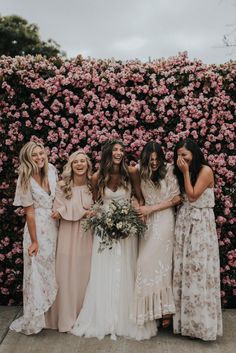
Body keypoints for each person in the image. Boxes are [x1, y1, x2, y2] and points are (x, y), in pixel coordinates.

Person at [71, 140, 157, 340]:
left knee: (126, 271)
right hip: (104, 232)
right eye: (115, 149)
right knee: (104, 272)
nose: (119, 152)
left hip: (126, 231)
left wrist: (133, 218)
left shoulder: (131, 172)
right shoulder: (97, 177)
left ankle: (124, 319)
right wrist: (102, 219)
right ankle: (104, 318)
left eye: (121, 150)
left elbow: (140, 198)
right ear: (108, 153)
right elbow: (97, 203)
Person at [173, 138, 223, 341]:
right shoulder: (187, 171)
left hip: (200, 225)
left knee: (199, 270)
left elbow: (193, 195)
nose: (181, 159)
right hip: (185, 222)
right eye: (178, 155)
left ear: (194, 153)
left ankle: (202, 324)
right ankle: (186, 323)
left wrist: (185, 173)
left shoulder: (205, 171)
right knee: (184, 268)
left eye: (184, 155)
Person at [10, 141, 58, 335]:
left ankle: (53, 316)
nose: (39, 158)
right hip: (37, 227)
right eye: (34, 156)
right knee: (38, 271)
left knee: (53, 269)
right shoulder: (25, 179)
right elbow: (29, 213)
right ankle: (36, 318)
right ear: (28, 159)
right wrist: (35, 240)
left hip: (55, 226)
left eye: (41, 154)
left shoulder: (52, 170)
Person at [133, 142, 181, 329]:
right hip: (147, 221)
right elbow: (136, 195)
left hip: (164, 219)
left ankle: (165, 310)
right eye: (150, 160)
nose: (154, 163)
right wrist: (139, 208)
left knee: (156, 264)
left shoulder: (168, 170)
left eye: (156, 159)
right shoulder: (138, 170)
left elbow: (177, 198)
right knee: (144, 264)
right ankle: (150, 310)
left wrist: (151, 208)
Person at [45, 150, 93, 332]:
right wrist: (82, 212)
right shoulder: (62, 185)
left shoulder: (93, 185)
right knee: (64, 274)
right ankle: (63, 317)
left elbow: (97, 208)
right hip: (66, 234)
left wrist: (70, 210)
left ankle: (82, 316)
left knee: (84, 274)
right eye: (75, 162)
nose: (79, 164)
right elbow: (57, 210)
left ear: (88, 165)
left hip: (87, 235)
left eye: (82, 161)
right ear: (71, 166)